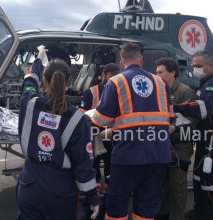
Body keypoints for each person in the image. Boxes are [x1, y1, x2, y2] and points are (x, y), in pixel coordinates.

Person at [90, 42, 175, 220]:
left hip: (128, 154)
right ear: (141, 59)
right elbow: (170, 119)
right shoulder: (161, 82)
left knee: (116, 206)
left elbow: (100, 121)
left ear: (122, 62)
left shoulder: (116, 82)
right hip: (158, 154)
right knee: (146, 206)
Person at [17, 46, 100, 220]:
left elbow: (29, 82)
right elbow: (84, 165)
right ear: (70, 81)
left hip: (29, 184)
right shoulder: (78, 119)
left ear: (44, 81)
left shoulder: (29, 103)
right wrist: (92, 198)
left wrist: (40, 56)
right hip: (59, 190)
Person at [174, 49, 213, 220]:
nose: (194, 69)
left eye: (198, 66)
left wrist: (176, 108)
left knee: (211, 181)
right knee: (200, 176)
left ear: (211, 65)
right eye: (193, 65)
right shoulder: (208, 82)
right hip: (206, 138)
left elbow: (203, 109)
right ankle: (202, 211)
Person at [155, 58, 197, 220]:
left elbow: (193, 117)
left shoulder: (185, 92)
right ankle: (163, 213)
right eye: (156, 72)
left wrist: (175, 128)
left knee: (178, 184)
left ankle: (177, 216)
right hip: (163, 143)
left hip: (180, 144)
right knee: (163, 182)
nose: (157, 75)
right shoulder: (159, 90)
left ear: (172, 73)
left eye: (160, 72)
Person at [80, 63, 120, 219]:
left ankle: (104, 207)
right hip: (96, 137)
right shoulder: (91, 92)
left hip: (110, 137)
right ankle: (94, 207)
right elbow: (83, 117)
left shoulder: (117, 90)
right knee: (95, 172)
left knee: (109, 173)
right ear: (104, 75)